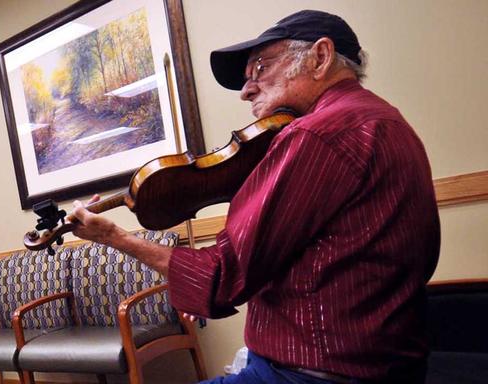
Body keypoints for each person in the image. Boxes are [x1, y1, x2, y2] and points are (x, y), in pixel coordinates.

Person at [71, 10, 439, 384]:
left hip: (312, 374)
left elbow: (221, 279)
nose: (246, 90)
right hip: (386, 365)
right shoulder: (387, 122)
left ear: (321, 57)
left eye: (261, 69)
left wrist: (113, 238)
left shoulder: (317, 135)